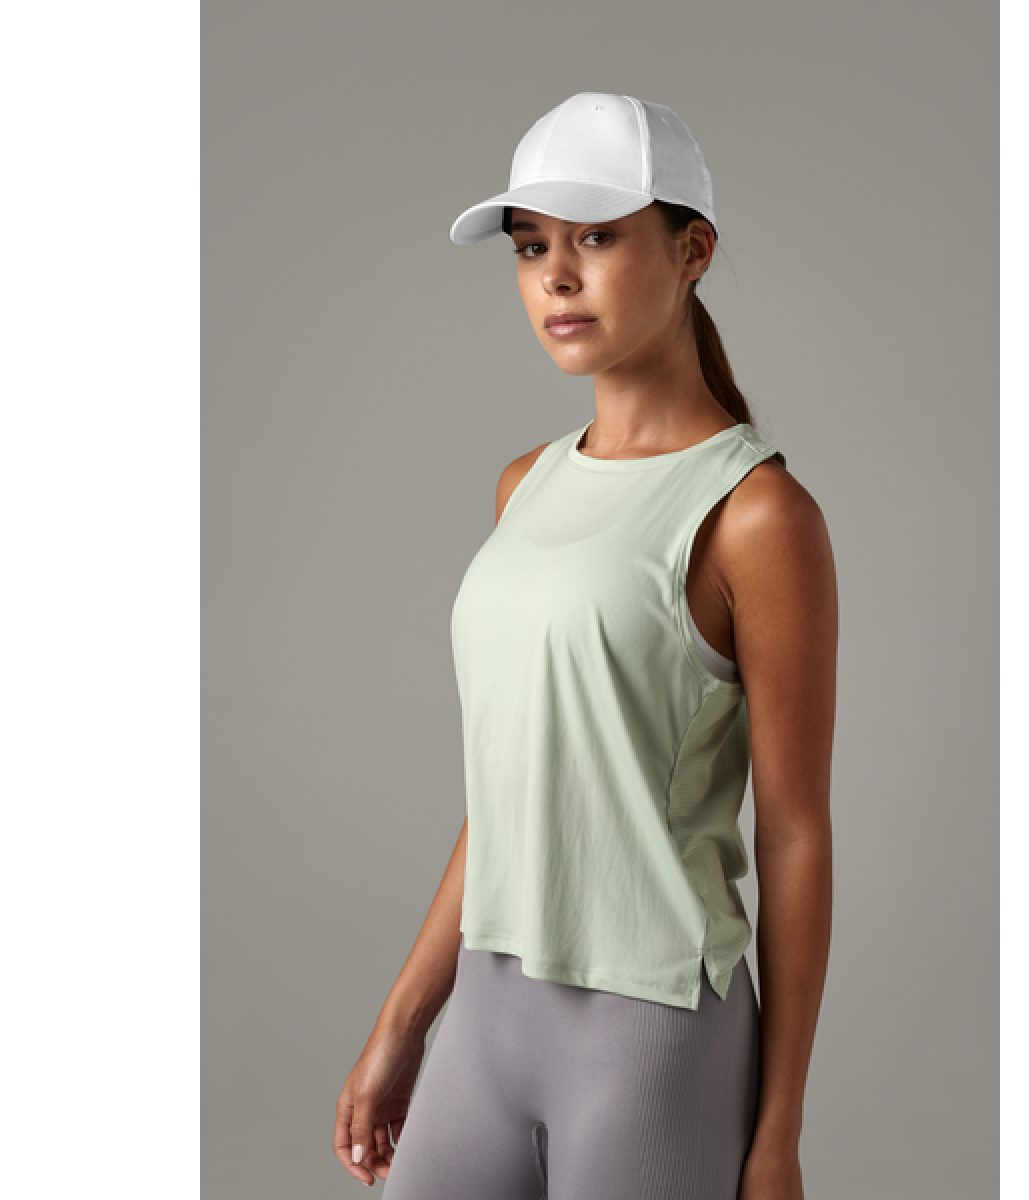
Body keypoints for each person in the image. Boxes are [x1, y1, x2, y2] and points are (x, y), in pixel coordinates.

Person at [334, 92, 838, 1200]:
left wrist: (778, 1135)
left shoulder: (755, 516)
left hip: (654, 1035)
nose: (556, 277)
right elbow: (513, 794)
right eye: (531, 247)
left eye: (598, 237)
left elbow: (796, 832)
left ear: (692, 250)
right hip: (487, 1017)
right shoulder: (524, 485)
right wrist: (403, 1023)